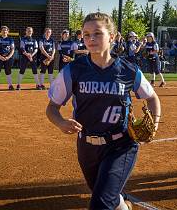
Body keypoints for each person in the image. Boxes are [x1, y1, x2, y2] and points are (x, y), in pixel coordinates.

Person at [46, 12, 161, 209]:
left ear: (113, 37)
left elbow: (152, 98)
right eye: (86, 34)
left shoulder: (128, 70)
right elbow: (52, 108)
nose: (91, 39)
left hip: (120, 145)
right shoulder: (73, 70)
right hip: (87, 146)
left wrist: (155, 124)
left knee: (100, 204)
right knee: (107, 196)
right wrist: (61, 122)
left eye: (98, 33)